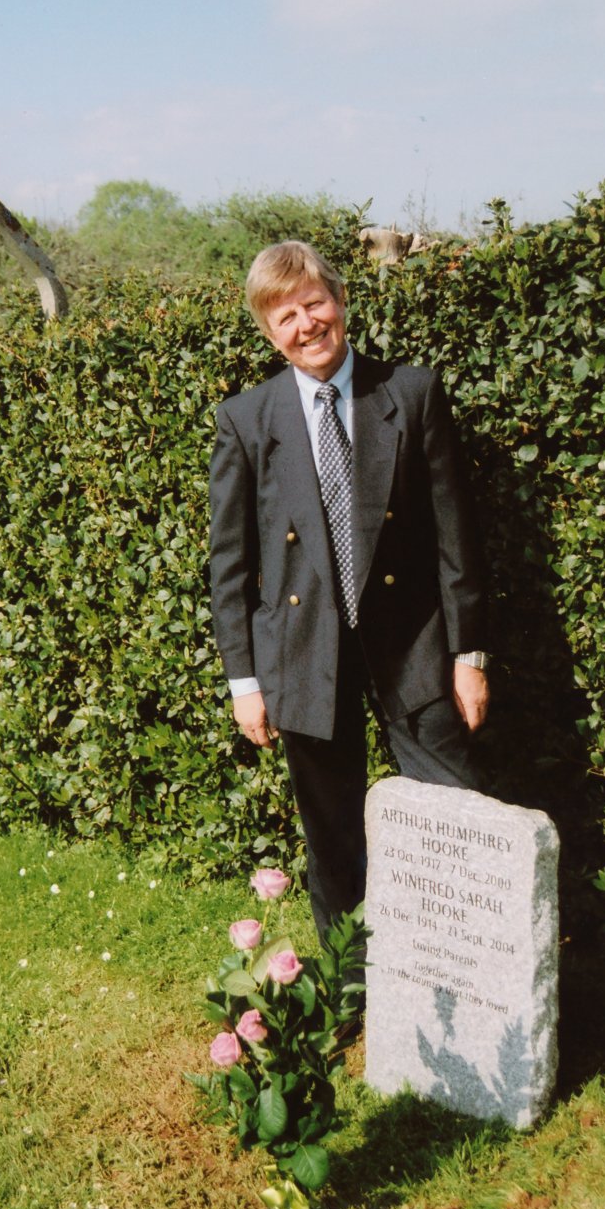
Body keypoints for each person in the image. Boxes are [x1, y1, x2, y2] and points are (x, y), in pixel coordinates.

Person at [209, 241, 490, 939]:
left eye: (314, 304)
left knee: (453, 815)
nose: (305, 324)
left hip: (414, 646)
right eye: (285, 316)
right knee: (332, 838)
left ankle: (457, 963)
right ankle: (350, 986)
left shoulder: (411, 393)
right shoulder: (245, 419)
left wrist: (470, 657)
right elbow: (230, 564)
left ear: (340, 301)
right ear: (268, 334)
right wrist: (245, 681)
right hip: (302, 652)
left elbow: (457, 537)